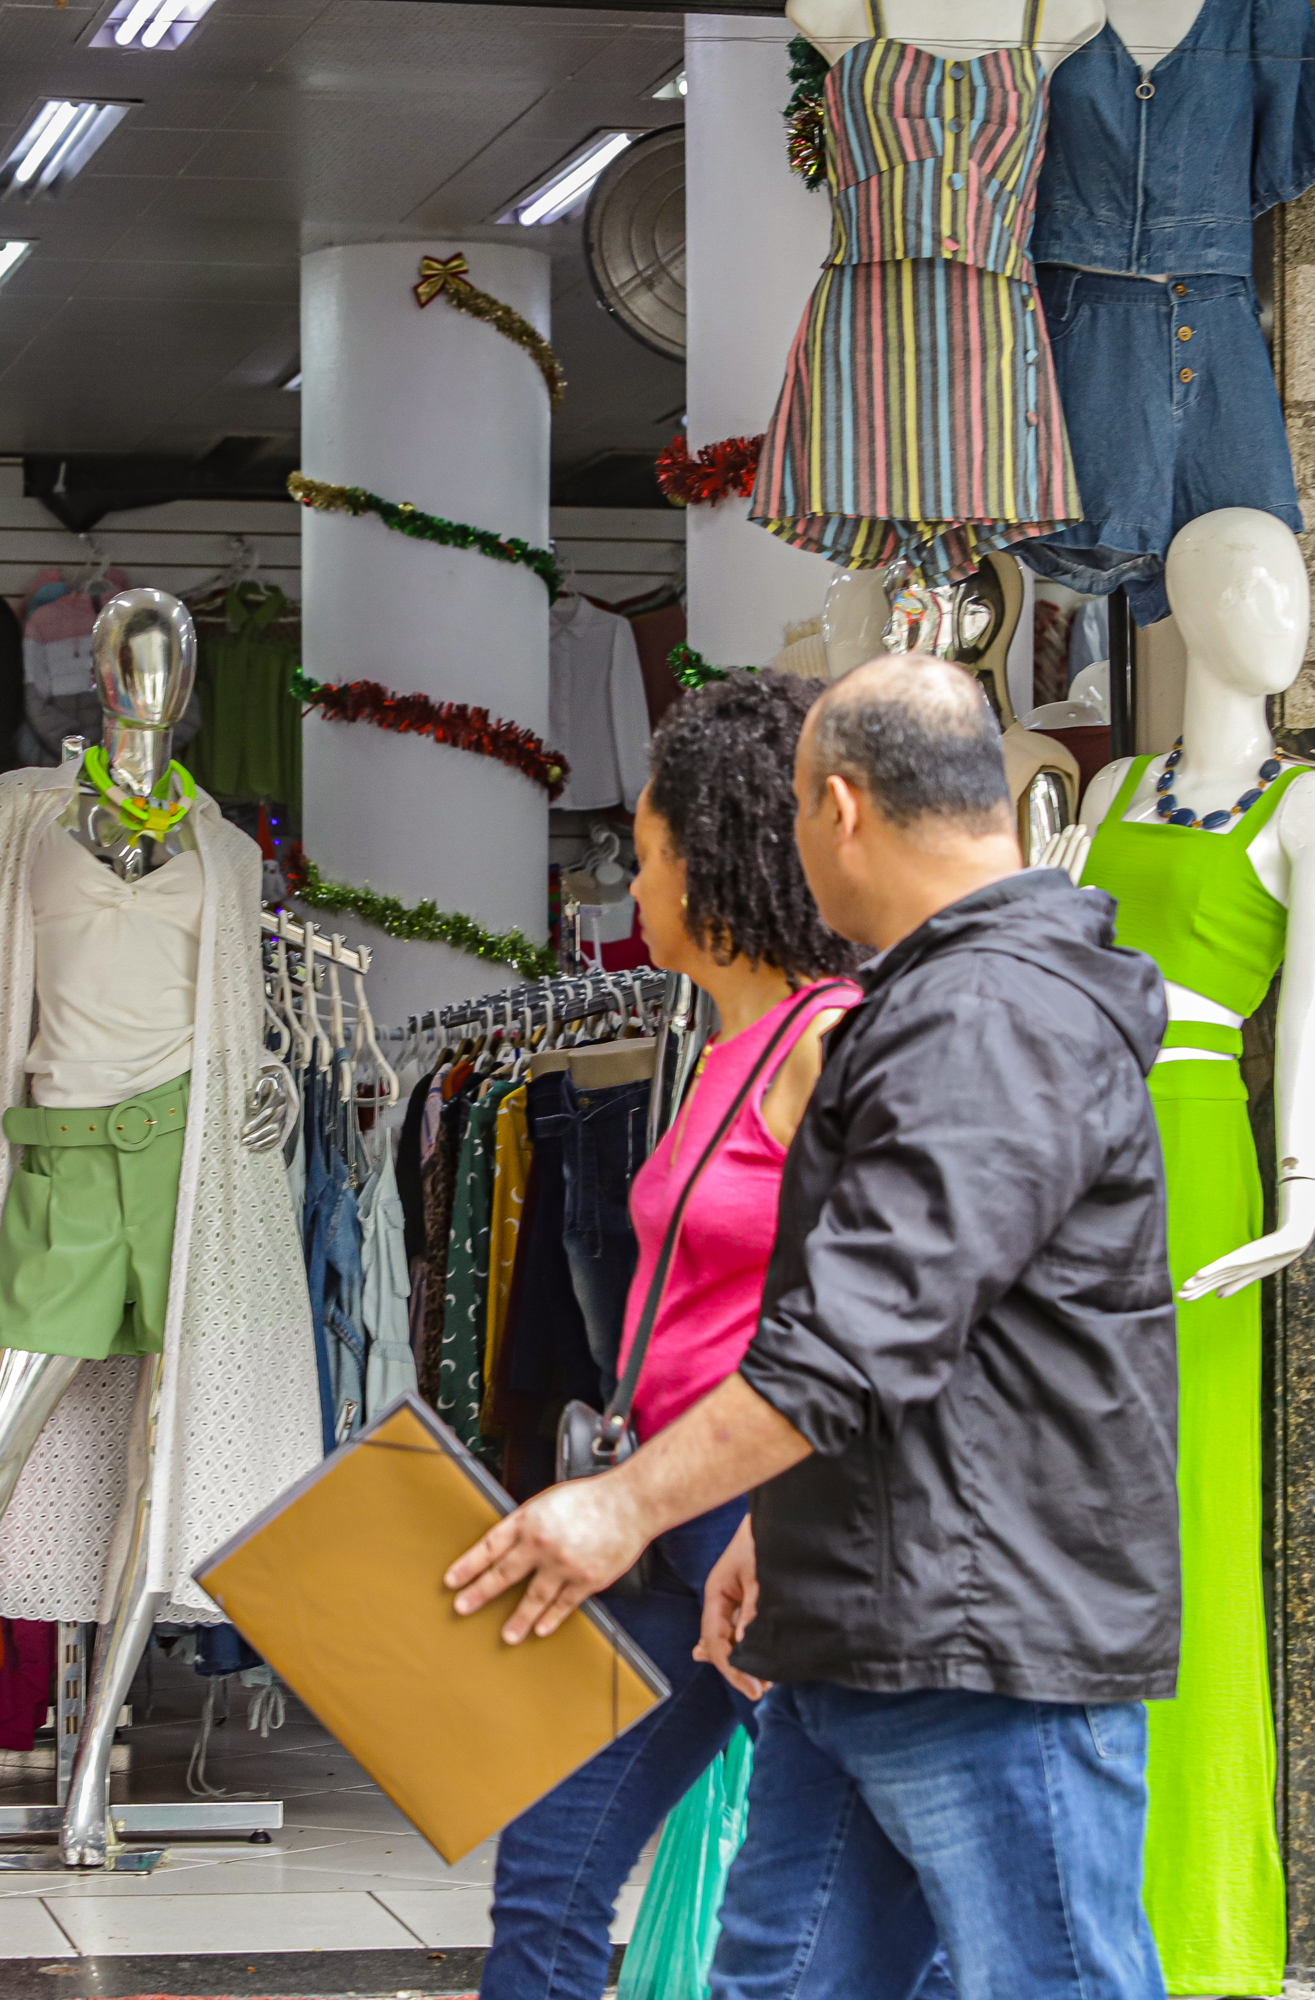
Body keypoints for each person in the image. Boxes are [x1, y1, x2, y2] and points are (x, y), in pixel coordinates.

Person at [447, 653, 1179, 2000]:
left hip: (982, 1642)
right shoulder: (945, 999)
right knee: (778, 1981)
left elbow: (862, 1332)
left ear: (840, 807)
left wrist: (623, 1508)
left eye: (791, 813)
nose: (784, 847)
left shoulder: (990, 1012)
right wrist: (779, 1541)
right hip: (877, 1625)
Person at [481, 673, 860, 2000]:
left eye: (646, 859)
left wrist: (776, 1517)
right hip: (665, 1502)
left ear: (719, 867)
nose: (631, 893)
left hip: (750, 1517)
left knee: (829, 1898)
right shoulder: (713, 1053)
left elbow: (861, 1312)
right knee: (551, 1863)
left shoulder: (828, 1044)